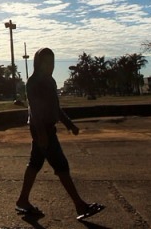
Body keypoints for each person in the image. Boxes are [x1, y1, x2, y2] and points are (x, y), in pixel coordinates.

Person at [14, 47, 105, 221]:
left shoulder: (50, 81)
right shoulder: (34, 82)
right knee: (61, 165)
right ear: (38, 63)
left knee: (35, 164)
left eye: (52, 62)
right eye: (46, 62)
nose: (50, 66)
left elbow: (56, 108)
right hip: (42, 129)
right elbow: (35, 110)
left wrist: (69, 124)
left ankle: (23, 200)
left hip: (46, 128)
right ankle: (79, 204)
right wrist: (41, 133)